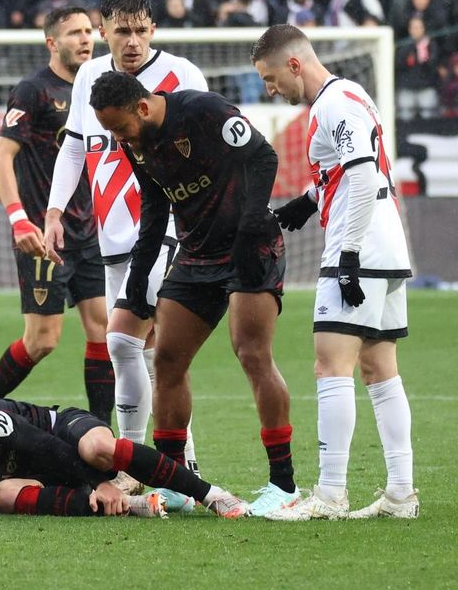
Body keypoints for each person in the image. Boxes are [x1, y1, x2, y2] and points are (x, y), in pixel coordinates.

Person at [87, 70, 303, 519]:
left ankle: (284, 486)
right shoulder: (135, 141)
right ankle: (175, 484)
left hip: (250, 247)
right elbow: (154, 206)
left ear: (142, 108)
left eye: (119, 127)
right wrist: (139, 275)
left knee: (251, 353)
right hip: (196, 255)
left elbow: (263, 157)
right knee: (166, 359)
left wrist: (247, 229)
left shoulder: (203, 111)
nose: (117, 137)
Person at [251, 24, 419, 521]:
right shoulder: (351, 93)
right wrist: (306, 201)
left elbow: (364, 172)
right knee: (379, 370)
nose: (271, 89)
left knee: (331, 365)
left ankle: (329, 494)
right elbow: (345, 172)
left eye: (271, 77)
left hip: (360, 247)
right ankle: (401, 493)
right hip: (386, 247)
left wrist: (346, 252)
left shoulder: (331, 103)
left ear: (295, 64)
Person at [42, 0, 207, 473]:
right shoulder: (90, 76)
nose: (132, 41)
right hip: (111, 236)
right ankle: (180, 461)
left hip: (170, 228)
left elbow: (213, 145)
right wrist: (53, 213)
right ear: (104, 32)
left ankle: (137, 460)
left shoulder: (182, 76)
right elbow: (74, 147)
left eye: (140, 31)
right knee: (144, 350)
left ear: (153, 29)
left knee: (127, 342)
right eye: (121, 31)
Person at [0, 7, 112, 423]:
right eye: (74, 33)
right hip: (42, 234)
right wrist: (19, 218)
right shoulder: (33, 91)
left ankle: (104, 437)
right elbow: (1, 155)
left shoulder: (101, 88)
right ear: (52, 43)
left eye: (89, 31)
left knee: (104, 331)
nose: (85, 39)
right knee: (42, 339)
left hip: (89, 231)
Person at [0, 398, 252, 518]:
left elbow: (41, 446)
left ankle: (210, 494)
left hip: (61, 431)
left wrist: (95, 481)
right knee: (4, 496)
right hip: (50, 473)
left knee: (98, 451)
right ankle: (133, 503)